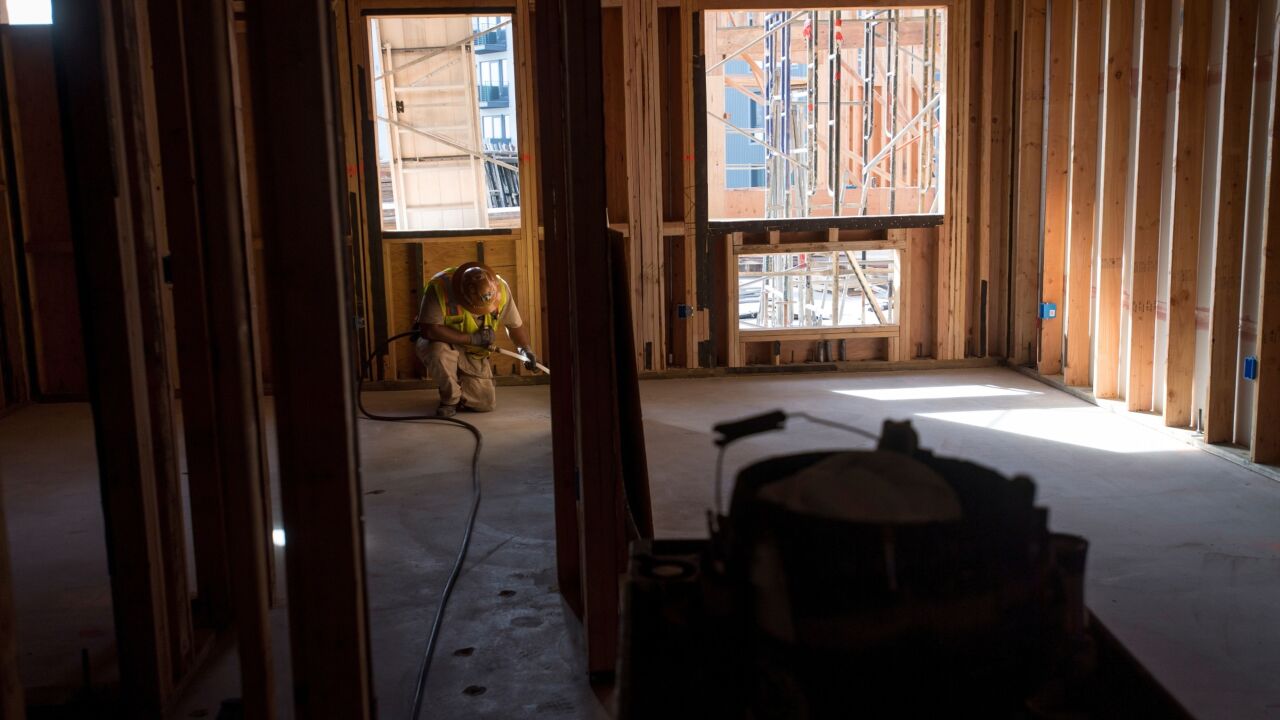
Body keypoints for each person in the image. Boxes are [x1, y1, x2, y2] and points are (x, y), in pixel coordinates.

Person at [415, 262, 537, 417]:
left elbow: (514, 326)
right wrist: (471, 338)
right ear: (461, 294)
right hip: (442, 342)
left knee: (484, 403)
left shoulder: (501, 289)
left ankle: (460, 386)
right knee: (438, 352)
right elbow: (429, 330)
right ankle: (450, 399)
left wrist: (525, 350)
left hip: (473, 352)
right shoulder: (439, 287)